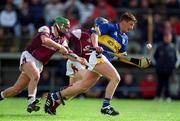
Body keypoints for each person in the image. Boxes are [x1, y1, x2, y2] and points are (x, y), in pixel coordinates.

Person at [44, 12, 150, 116]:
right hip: (98, 57)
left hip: (104, 61)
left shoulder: (125, 39)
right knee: (116, 78)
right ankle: (106, 106)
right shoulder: (109, 27)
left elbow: (121, 57)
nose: (132, 27)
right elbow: (94, 33)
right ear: (123, 21)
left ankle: (54, 96)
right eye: (131, 24)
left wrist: (137, 63)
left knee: (82, 87)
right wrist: (95, 46)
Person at [0, 16, 83, 113]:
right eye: (66, 27)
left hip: (39, 63)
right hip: (29, 56)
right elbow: (45, 40)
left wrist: (79, 59)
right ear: (59, 25)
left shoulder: (62, 39)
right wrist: (60, 47)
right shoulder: (46, 29)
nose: (67, 30)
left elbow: (67, 53)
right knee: (36, 76)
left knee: (16, 89)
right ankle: (31, 101)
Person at [153, 31, 178, 102]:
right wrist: (157, 65)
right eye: (166, 36)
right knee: (160, 83)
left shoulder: (173, 47)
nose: (167, 38)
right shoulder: (159, 46)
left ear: (171, 38)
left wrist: (174, 66)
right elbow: (154, 57)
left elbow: (177, 59)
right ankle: (158, 97)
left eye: (169, 37)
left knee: (168, 84)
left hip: (170, 70)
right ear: (164, 37)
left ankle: (168, 97)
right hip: (160, 69)